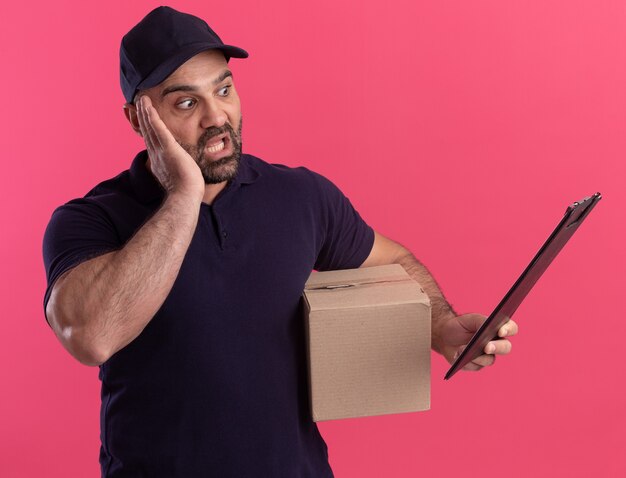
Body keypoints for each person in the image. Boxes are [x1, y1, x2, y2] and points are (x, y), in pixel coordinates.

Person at [42, 6, 518, 478]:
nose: (216, 117)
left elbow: (390, 261)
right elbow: (92, 337)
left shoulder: (301, 197)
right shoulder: (91, 220)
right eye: (186, 103)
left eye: (224, 89)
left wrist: (442, 327)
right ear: (136, 119)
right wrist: (185, 194)